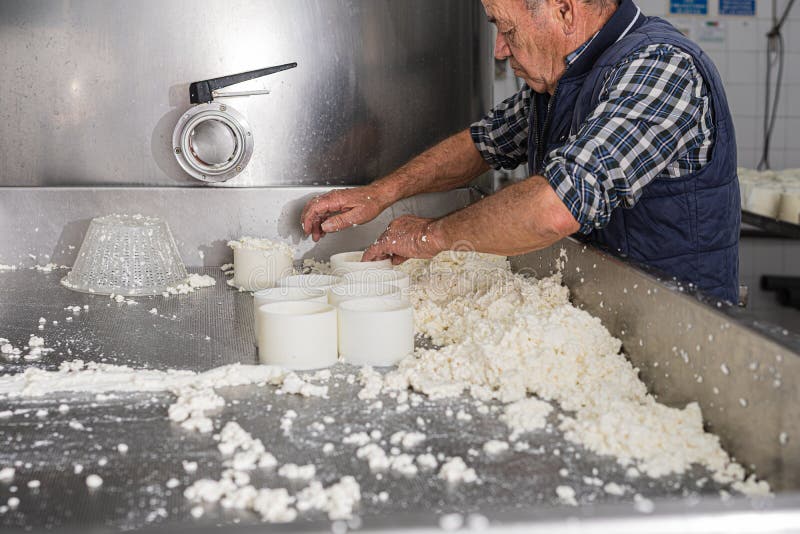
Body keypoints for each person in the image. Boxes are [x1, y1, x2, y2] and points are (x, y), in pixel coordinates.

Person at [301, 0, 740, 302]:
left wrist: (427, 237)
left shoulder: (661, 67)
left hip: (675, 329)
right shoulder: (563, 79)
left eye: (506, 28)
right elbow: (481, 144)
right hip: (605, 311)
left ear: (564, 10)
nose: (499, 50)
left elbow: (556, 206)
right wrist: (381, 193)